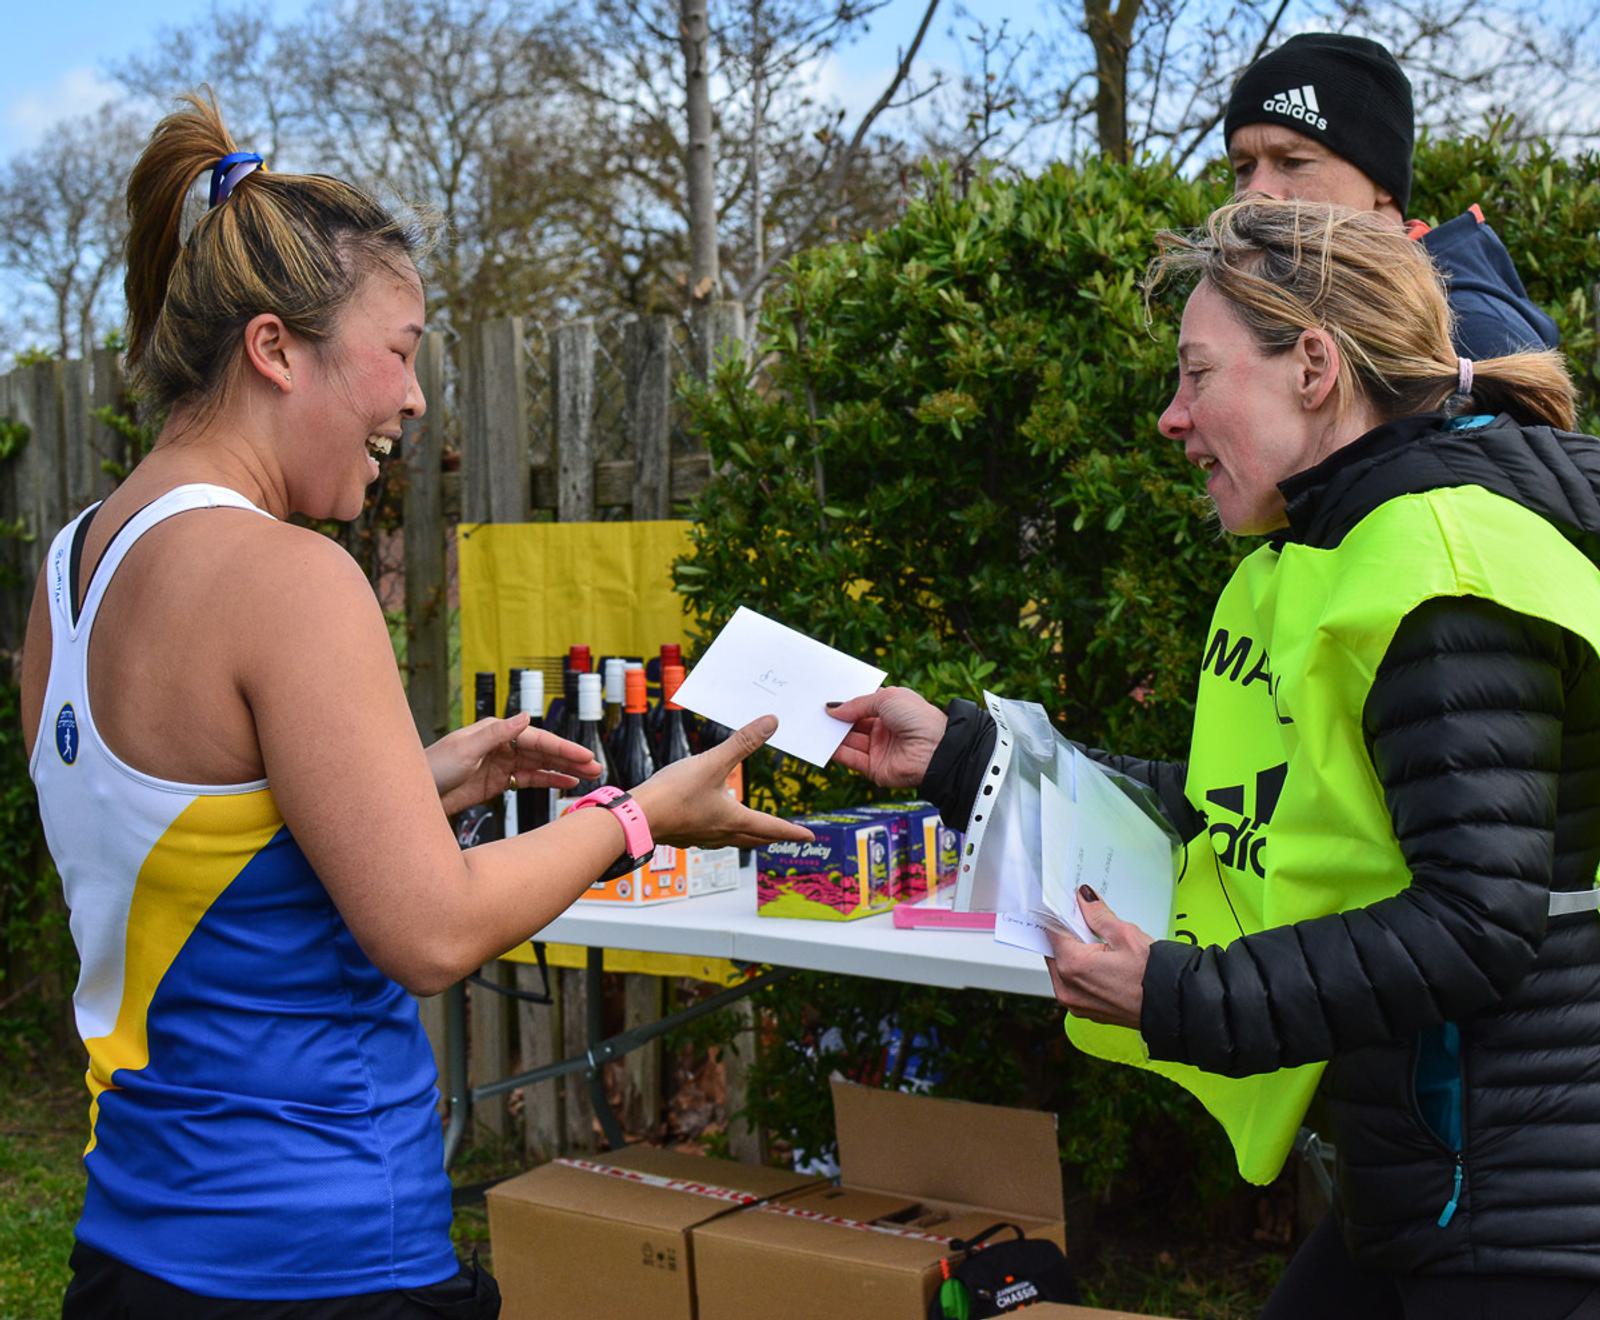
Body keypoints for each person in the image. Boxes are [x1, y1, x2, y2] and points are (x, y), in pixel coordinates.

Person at [20, 94, 809, 1318]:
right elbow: (431, 934)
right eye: (401, 349)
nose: (419, 399)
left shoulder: (72, 569)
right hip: (324, 1258)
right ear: (277, 350)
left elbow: (184, 842)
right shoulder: (288, 578)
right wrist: (642, 814)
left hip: (133, 1249)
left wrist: (421, 777)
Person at [828, 197, 1600, 1317]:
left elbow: (1478, 925)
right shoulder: (1341, 545)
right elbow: (1249, 813)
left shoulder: (1442, 570)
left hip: (1517, 1211)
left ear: (1314, 368)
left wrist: (1180, 996)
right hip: (1432, 1178)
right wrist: (966, 755)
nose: (1169, 417)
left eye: (1195, 375)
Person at [1223, 31, 1559, 361]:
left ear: (1382, 181)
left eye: (1293, 162)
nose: (1255, 193)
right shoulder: (1270, 309)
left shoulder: (1474, 334)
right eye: (1244, 167)